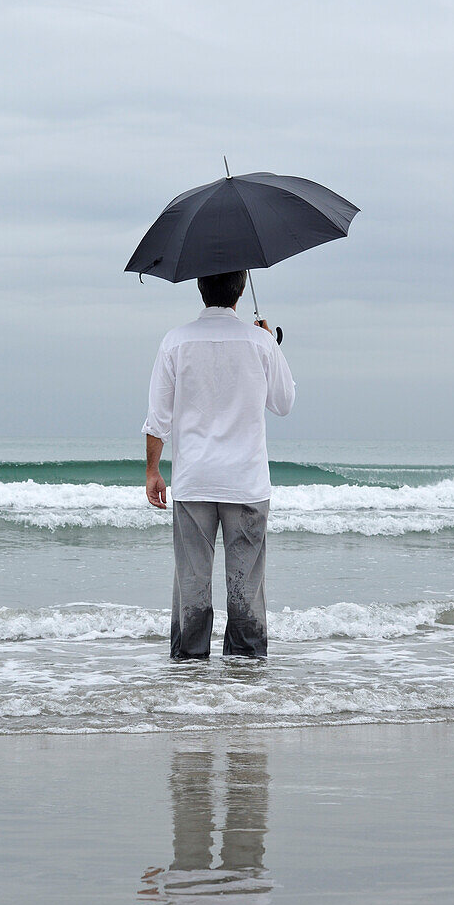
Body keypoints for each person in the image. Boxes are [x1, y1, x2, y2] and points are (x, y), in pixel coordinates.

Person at [142, 270, 295, 660]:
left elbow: (158, 418)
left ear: (199, 287)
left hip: (194, 480)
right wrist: (272, 344)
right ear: (241, 290)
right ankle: (243, 681)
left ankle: (189, 676)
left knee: (191, 585)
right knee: (246, 587)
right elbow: (284, 403)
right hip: (245, 481)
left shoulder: (175, 341)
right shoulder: (260, 341)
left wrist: (153, 471)